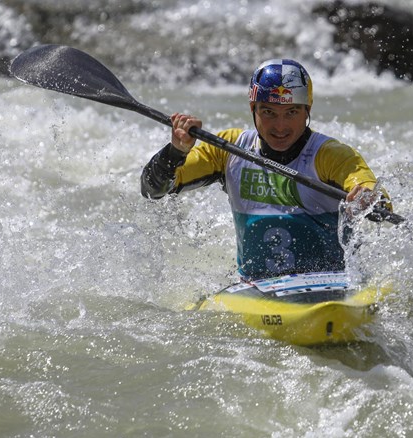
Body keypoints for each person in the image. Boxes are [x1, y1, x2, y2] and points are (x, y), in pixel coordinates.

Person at [141, 59, 389, 280]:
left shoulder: (330, 155)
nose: (280, 126)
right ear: (253, 110)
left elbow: (372, 191)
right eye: (268, 112)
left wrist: (368, 199)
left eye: (291, 112)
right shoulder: (227, 150)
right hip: (254, 288)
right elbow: (152, 189)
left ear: (307, 111)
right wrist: (176, 151)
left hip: (332, 284)